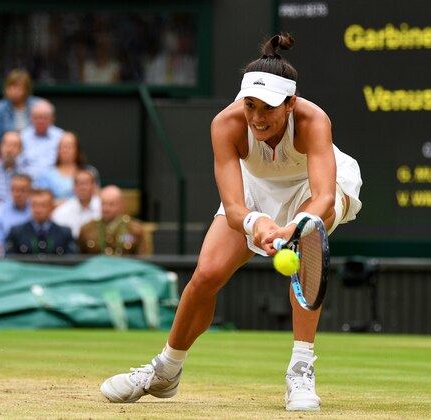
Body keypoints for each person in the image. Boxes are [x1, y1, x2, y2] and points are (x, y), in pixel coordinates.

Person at [99, 34, 363, 412]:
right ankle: (165, 371)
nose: (256, 117)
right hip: (255, 193)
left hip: (315, 186)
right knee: (206, 274)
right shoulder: (226, 124)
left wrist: (293, 228)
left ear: (290, 104)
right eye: (249, 105)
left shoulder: (313, 119)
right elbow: (233, 205)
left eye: (267, 108)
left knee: (307, 241)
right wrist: (256, 222)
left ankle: (301, 369)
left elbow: (322, 196)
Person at [78, 184, 148, 255]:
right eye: (103, 204)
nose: (106, 209)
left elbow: (143, 261)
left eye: (111, 204)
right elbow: (81, 260)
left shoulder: (135, 230)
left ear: (121, 205)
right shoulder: (86, 230)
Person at [4, 188, 76, 256]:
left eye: (43, 206)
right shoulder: (17, 232)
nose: (38, 210)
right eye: (34, 205)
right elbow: (10, 260)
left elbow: (72, 259)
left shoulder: (64, 233)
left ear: (52, 207)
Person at [37, 131, 98, 204]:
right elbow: (43, 202)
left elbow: (96, 198)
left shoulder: (89, 172)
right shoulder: (47, 174)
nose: (66, 150)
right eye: (62, 146)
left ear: (77, 149)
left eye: (69, 146)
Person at [0, 68, 40, 144]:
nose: (13, 91)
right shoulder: (0, 107)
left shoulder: (37, 105)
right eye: (10, 87)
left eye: (17, 88)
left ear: (26, 90)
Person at [19, 99, 64, 183]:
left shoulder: (61, 137)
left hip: (55, 183)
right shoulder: (22, 137)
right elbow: (19, 164)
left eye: (44, 118)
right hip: (28, 183)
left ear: (52, 118)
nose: (40, 121)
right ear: (31, 118)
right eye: (36, 117)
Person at [0, 173, 32, 254]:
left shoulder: (36, 210)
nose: (18, 194)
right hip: (8, 260)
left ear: (30, 191)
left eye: (22, 190)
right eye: (14, 190)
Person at [52, 167, 101, 239]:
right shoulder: (61, 212)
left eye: (86, 183)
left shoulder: (104, 207)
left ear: (94, 186)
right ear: (73, 188)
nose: (83, 187)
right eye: (79, 184)